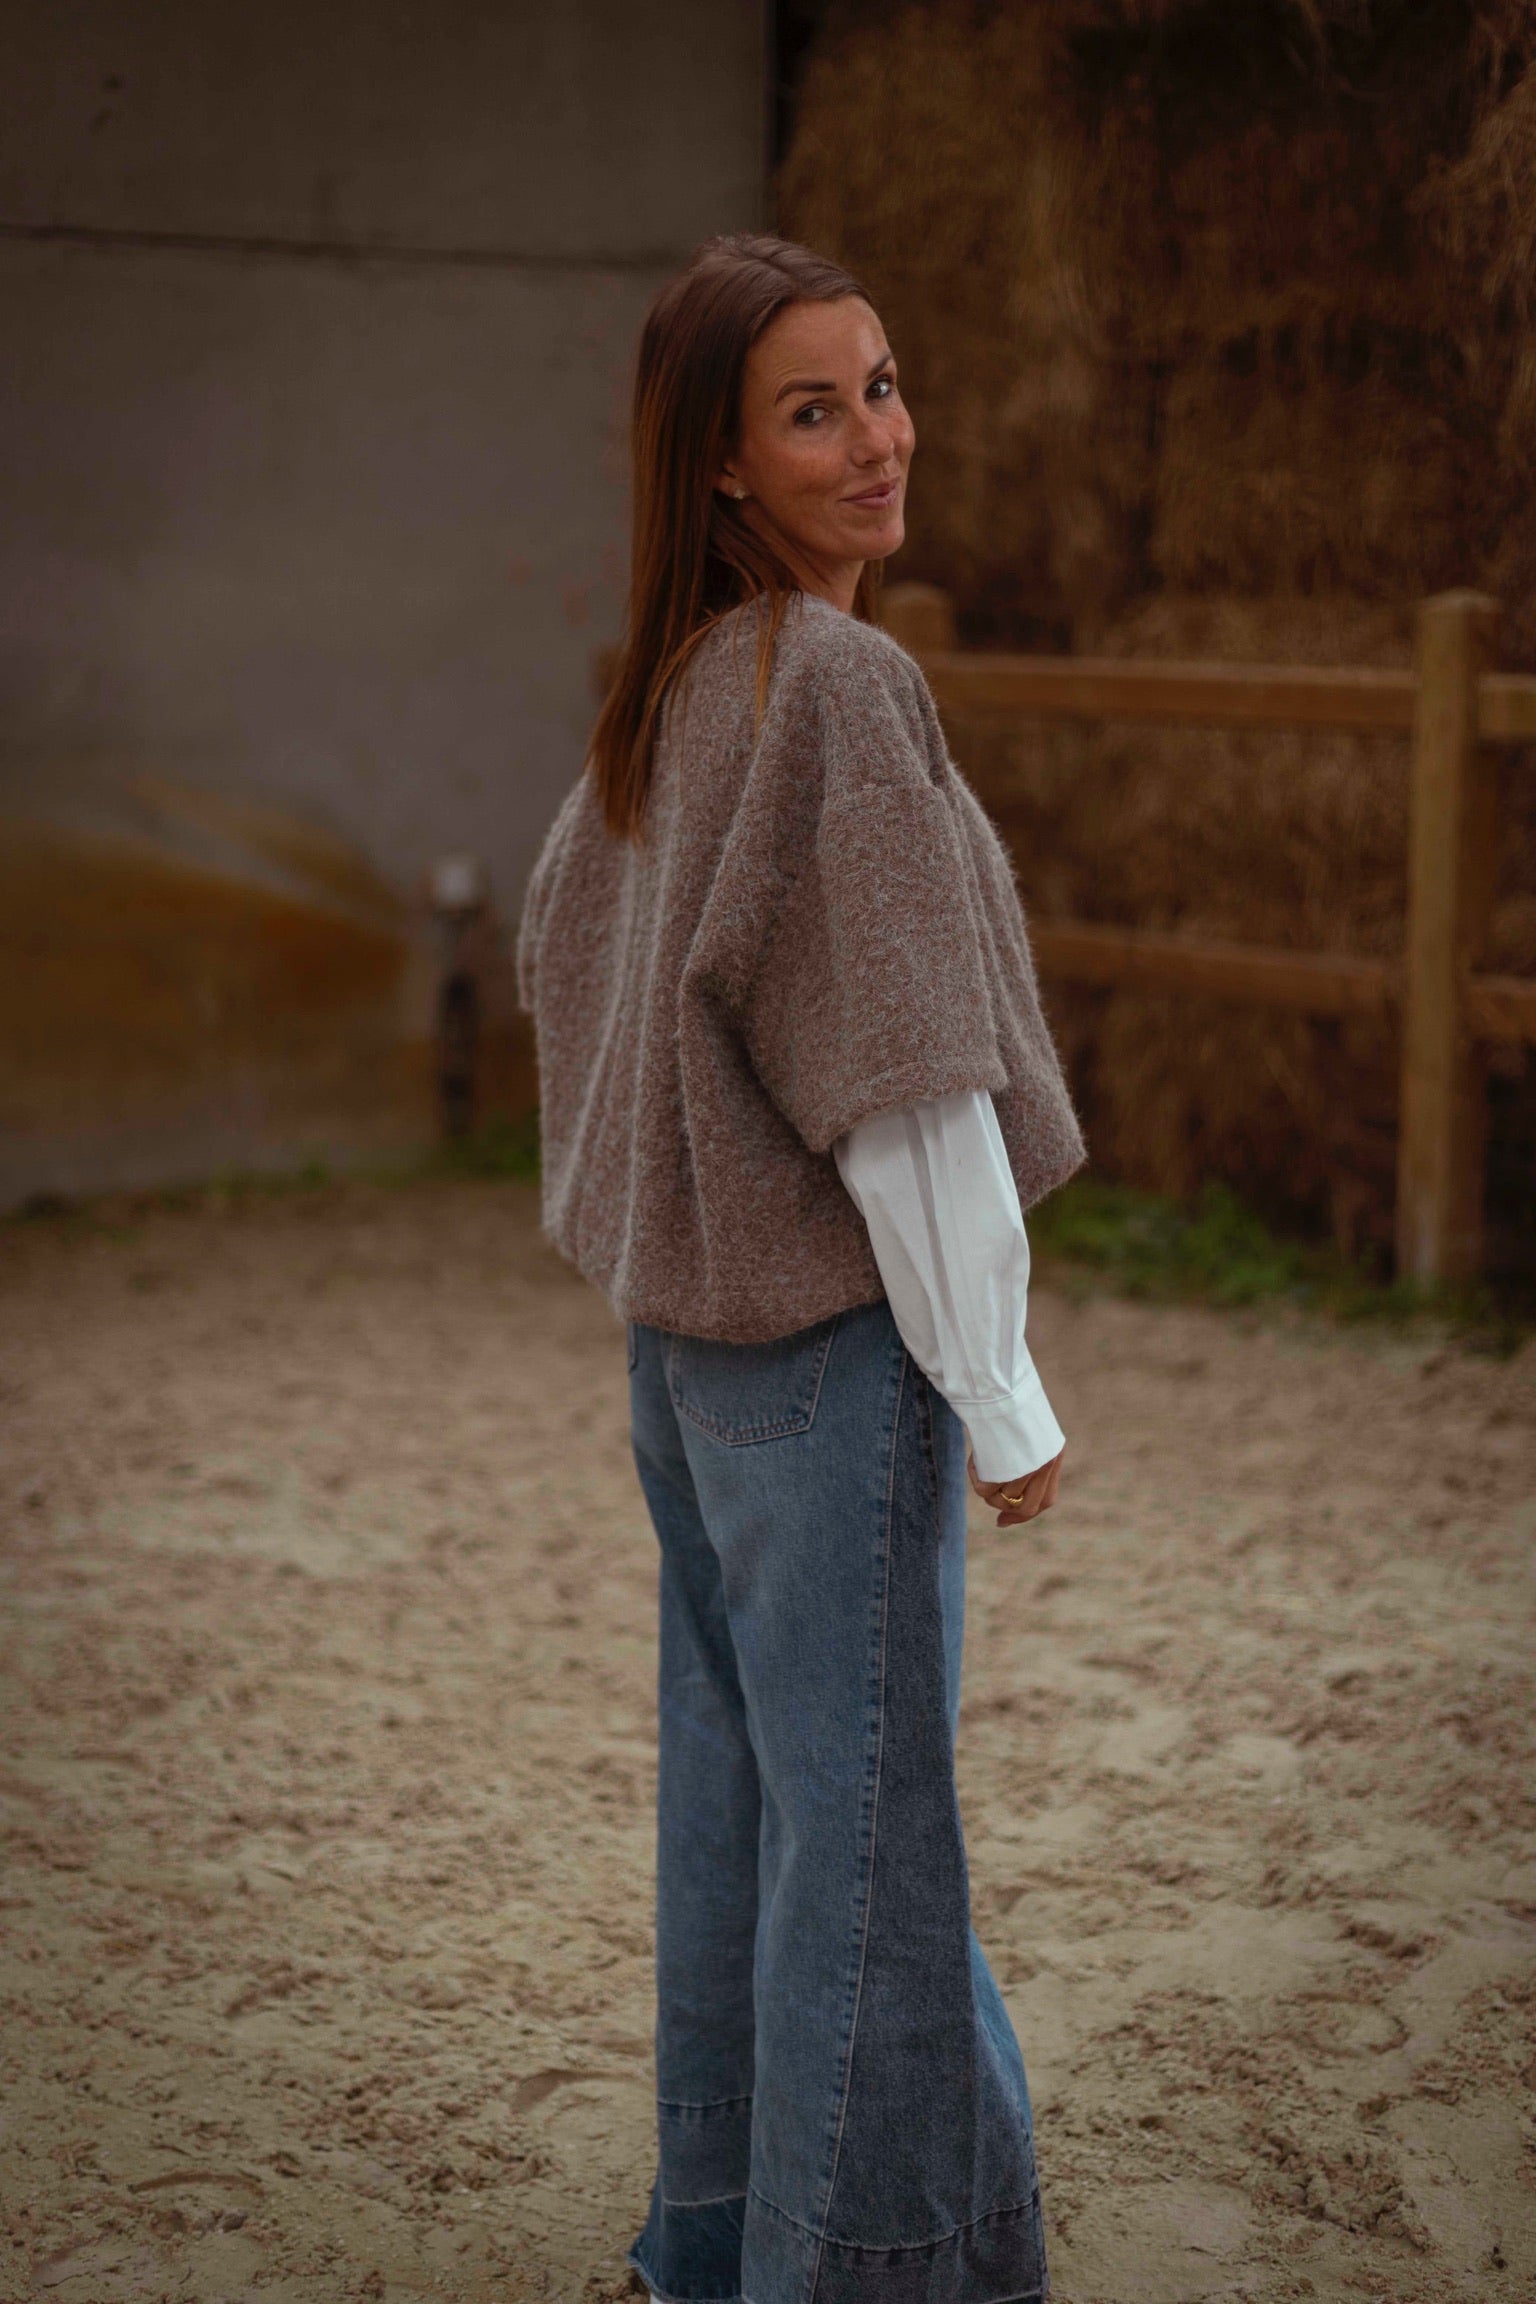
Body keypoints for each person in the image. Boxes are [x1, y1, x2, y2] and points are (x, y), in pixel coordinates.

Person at [517, 233, 1084, 2304]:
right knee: (864, 1852)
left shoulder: (677, 696)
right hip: (831, 1361)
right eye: (815, 411)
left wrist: (656, 1224)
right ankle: (858, 2273)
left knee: (752, 1813)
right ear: (724, 463)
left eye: (886, 387)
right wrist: (1000, 1392)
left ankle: (720, 2234)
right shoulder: (830, 688)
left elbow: (570, 970)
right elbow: (906, 1079)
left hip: (686, 1368)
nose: (878, 441)